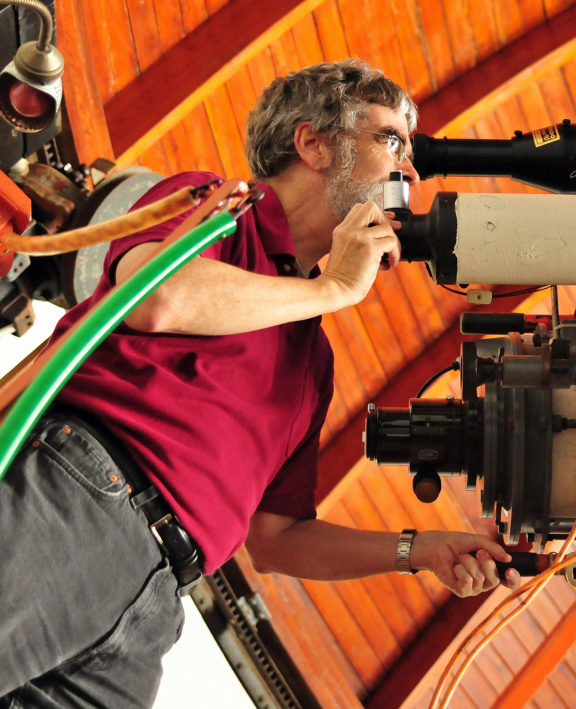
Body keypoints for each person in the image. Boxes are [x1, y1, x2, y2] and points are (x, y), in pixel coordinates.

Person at [0, 59, 519, 707]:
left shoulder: (312, 359)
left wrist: (420, 548)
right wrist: (334, 288)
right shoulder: (219, 205)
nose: (410, 173)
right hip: (82, 501)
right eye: (391, 140)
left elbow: (276, 538)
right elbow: (156, 297)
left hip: (157, 594)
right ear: (313, 143)